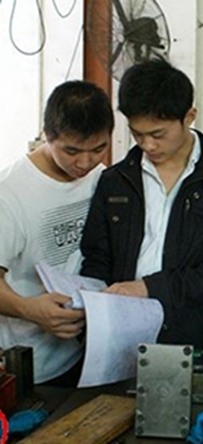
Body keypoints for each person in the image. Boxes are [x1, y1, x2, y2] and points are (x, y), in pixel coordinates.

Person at [80, 60, 203, 351]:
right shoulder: (115, 181)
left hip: (188, 335)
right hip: (119, 332)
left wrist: (149, 288)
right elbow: (96, 257)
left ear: (189, 117)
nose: (148, 145)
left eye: (158, 134)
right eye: (137, 134)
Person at [0, 80, 114, 385]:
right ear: (47, 135)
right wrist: (29, 310)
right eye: (71, 150)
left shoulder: (100, 178)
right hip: (30, 367)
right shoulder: (9, 194)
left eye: (99, 149)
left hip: (87, 352)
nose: (85, 163)